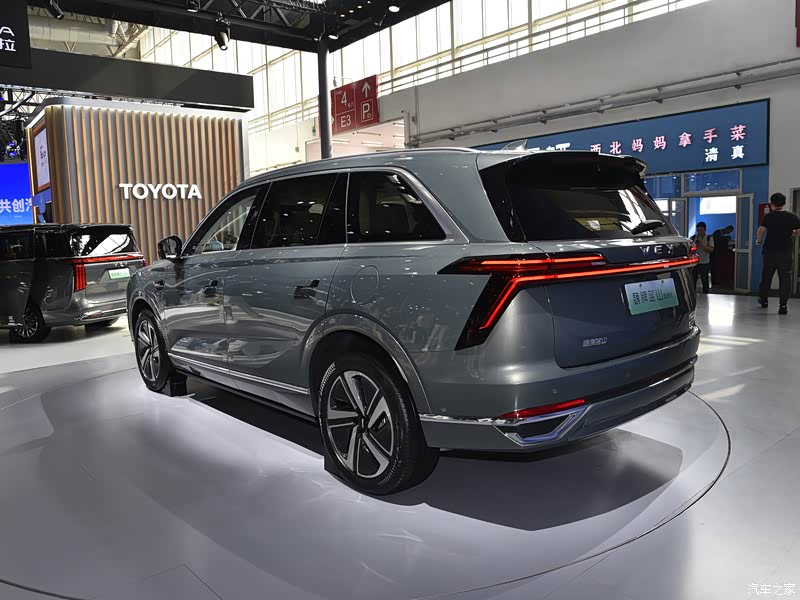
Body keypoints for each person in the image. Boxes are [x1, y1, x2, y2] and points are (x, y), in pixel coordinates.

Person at [757, 193, 800, 315]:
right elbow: (798, 232)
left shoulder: (768, 217)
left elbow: (761, 230)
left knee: (766, 276)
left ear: (772, 204)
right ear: (784, 203)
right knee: (785, 279)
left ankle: (764, 300)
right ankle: (783, 306)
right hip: (785, 252)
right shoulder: (792, 217)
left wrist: (758, 241)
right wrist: (790, 233)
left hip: (769, 252)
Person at [691, 222, 714, 293]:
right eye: (698, 230)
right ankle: (693, 294)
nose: (699, 232)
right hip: (694, 262)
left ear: (705, 230)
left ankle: (706, 294)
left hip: (704, 262)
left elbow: (711, 249)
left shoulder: (709, 238)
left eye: (701, 230)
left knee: (704, 279)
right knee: (693, 279)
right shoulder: (693, 237)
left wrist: (702, 245)